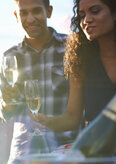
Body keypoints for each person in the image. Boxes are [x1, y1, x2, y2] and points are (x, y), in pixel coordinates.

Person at [0, 0, 78, 164]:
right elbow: (5, 111)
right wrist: (6, 102)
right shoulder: (10, 56)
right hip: (24, 154)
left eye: (36, 11)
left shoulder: (72, 48)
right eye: (24, 13)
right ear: (16, 15)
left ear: (48, 11)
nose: (30, 19)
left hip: (65, 152)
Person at [34, 0, 116, 131]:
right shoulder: (80, 59)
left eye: (95, 11)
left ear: (114, 13)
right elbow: (72, 118)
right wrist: (45, 122)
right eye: (82, 15)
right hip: (96, 147)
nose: (86, 20)